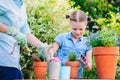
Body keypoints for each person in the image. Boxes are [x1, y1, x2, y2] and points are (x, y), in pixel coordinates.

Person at [0, 0, 49, 79]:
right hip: (2, 62)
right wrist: (10, 30)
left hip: (13, 63)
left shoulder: (21, 5)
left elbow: (25, 32)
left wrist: (42, 47)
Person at [49, 10, 92, 78]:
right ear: (70, 25)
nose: (78, 32)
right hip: (61, 77)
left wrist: (86, 64)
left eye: (81, 29)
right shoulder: (61, 38)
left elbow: (89, 68)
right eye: (74, 29)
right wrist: (52, 58)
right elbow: (50, 53)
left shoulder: (87, 43)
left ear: (85, 26)